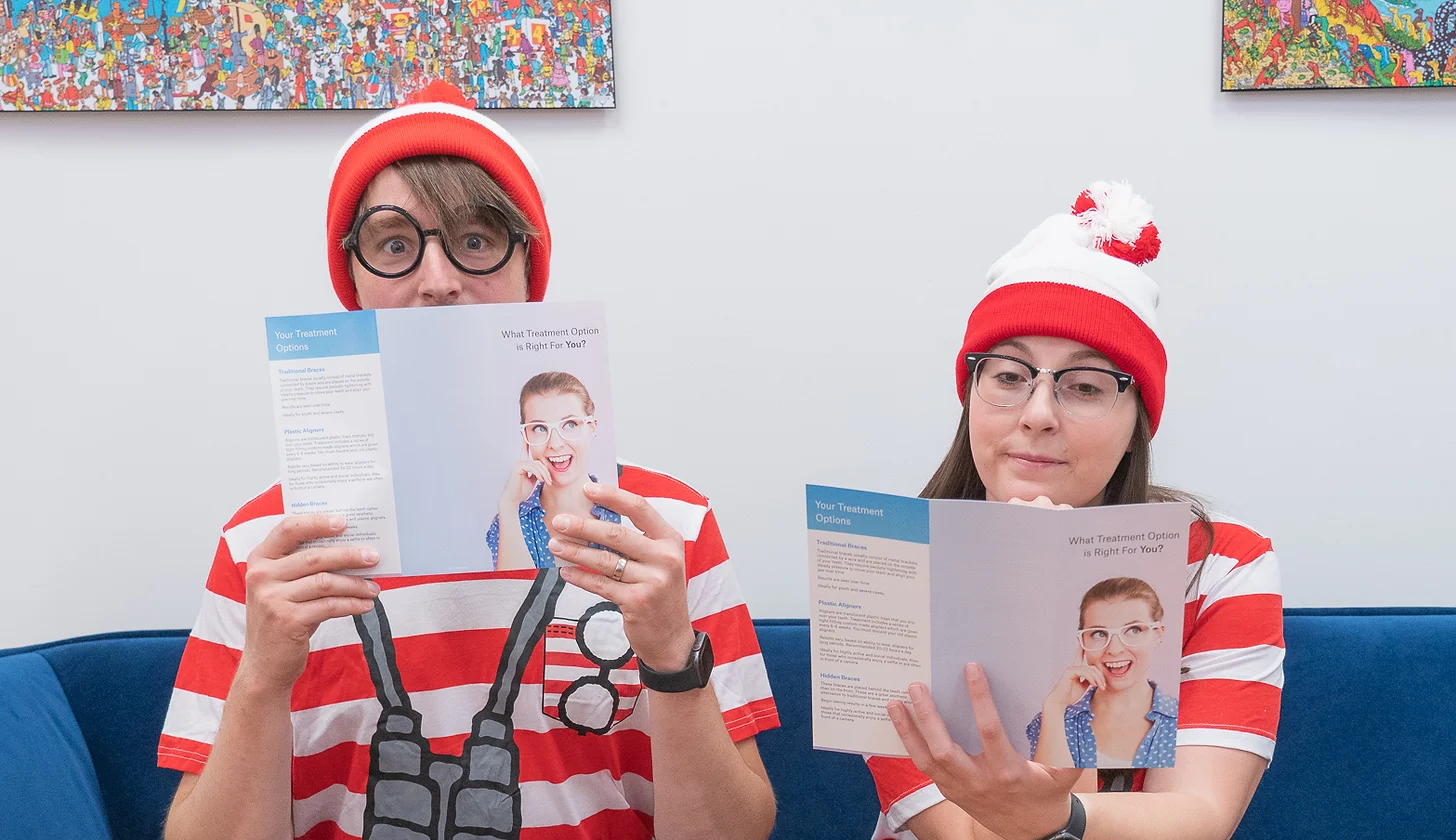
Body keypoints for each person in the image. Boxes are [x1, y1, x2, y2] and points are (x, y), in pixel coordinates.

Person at [157, 81, 779, 840]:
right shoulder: (265, 549)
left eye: (476, 240)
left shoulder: (662, 532)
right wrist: (259, 683)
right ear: (352, 283)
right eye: (395, 245)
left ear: (530, 272)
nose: (440, 280)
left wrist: (673, 664)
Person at [866, 182, 1285, 840]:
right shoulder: (890, 569)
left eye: (1085, 386)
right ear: (971, 394)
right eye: (1007, 375)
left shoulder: (1221, 565)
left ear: (1135, 423)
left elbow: (1201, 817)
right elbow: (958, 833)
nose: (1036, 414)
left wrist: (1061, 812)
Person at [1028, 577, 1177, 770]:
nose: (1114, 649)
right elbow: (1047, 795)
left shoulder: (1181, 720)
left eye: (1133, 630)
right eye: (1099, 634)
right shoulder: (1054, 719)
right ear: (1082, 641)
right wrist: (1055, 707)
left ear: (1158, 634)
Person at [489, 371, 619, 570]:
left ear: (592, 427)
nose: (555, 443)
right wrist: (509, 505)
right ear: (525, 436)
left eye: (570, 424)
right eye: (539, 428)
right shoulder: (510, 520)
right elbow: (511, 596)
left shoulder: (621, 512)